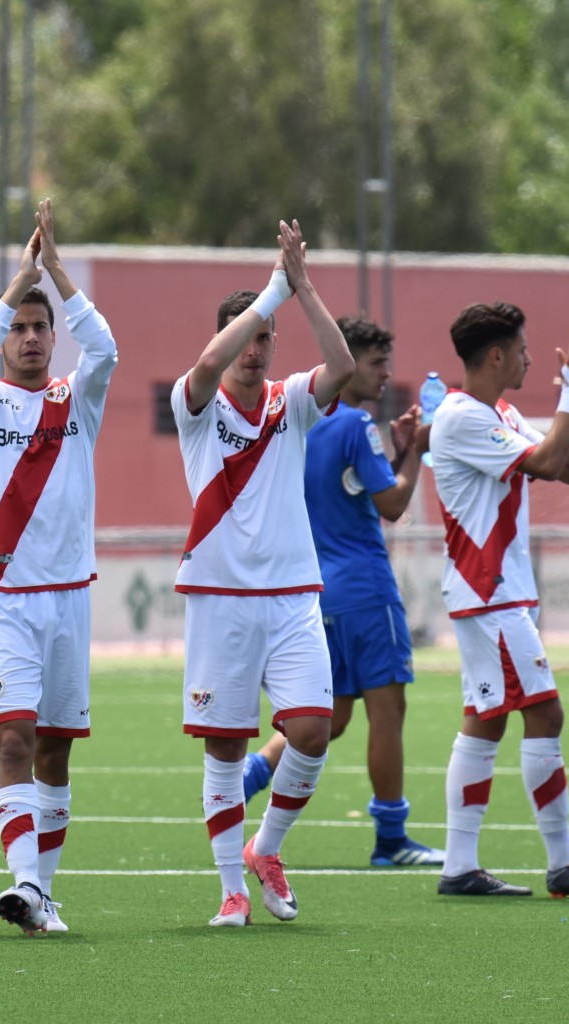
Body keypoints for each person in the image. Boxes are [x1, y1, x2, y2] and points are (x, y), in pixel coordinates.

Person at [170, 221, 354, 927]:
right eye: (244, 337)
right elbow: (206, 364)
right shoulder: (197, 406)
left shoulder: (291, 402)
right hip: (219, 599)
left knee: (313, 728)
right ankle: (230, 891)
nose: (253, 350)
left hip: (291, 597)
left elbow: (338, 367)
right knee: (225, 745)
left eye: (264, 339)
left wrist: (301, 289)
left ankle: (265, 850)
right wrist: (269, 293)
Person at [0, 199, 115, 936]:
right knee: (13, 737)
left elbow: (105, 349)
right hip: (2, 599)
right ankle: (21, 881)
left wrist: (57, 274)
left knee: (54, 750)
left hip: (69, 600)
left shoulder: (78, 398)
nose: (29, 337)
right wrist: (17, 284)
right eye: (19, 328)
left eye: (40, 327)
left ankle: (41, 896)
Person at [428, 303, 569, 899]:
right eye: (522, 349)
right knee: (546, 713)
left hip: (494, 593)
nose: (530, 359)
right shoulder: (460, 416)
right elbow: (542, 460)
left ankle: (459, 866)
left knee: (485, 722)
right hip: (491, 593)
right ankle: (564, 862)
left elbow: (567, 469)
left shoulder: (499, 413)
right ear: (496, 356)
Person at [240, 317, 444, 867]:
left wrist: (397, 454)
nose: (385, 375)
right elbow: (392, 506)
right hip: (365, 590)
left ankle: (247, 777)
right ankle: (391, 839)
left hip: (316, 590)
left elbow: (358, 489)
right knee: (388, 710)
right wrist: (417, 450)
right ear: (348, 363)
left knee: (332, 716)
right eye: (376, 363)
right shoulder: (357, 424)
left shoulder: (298, 419)